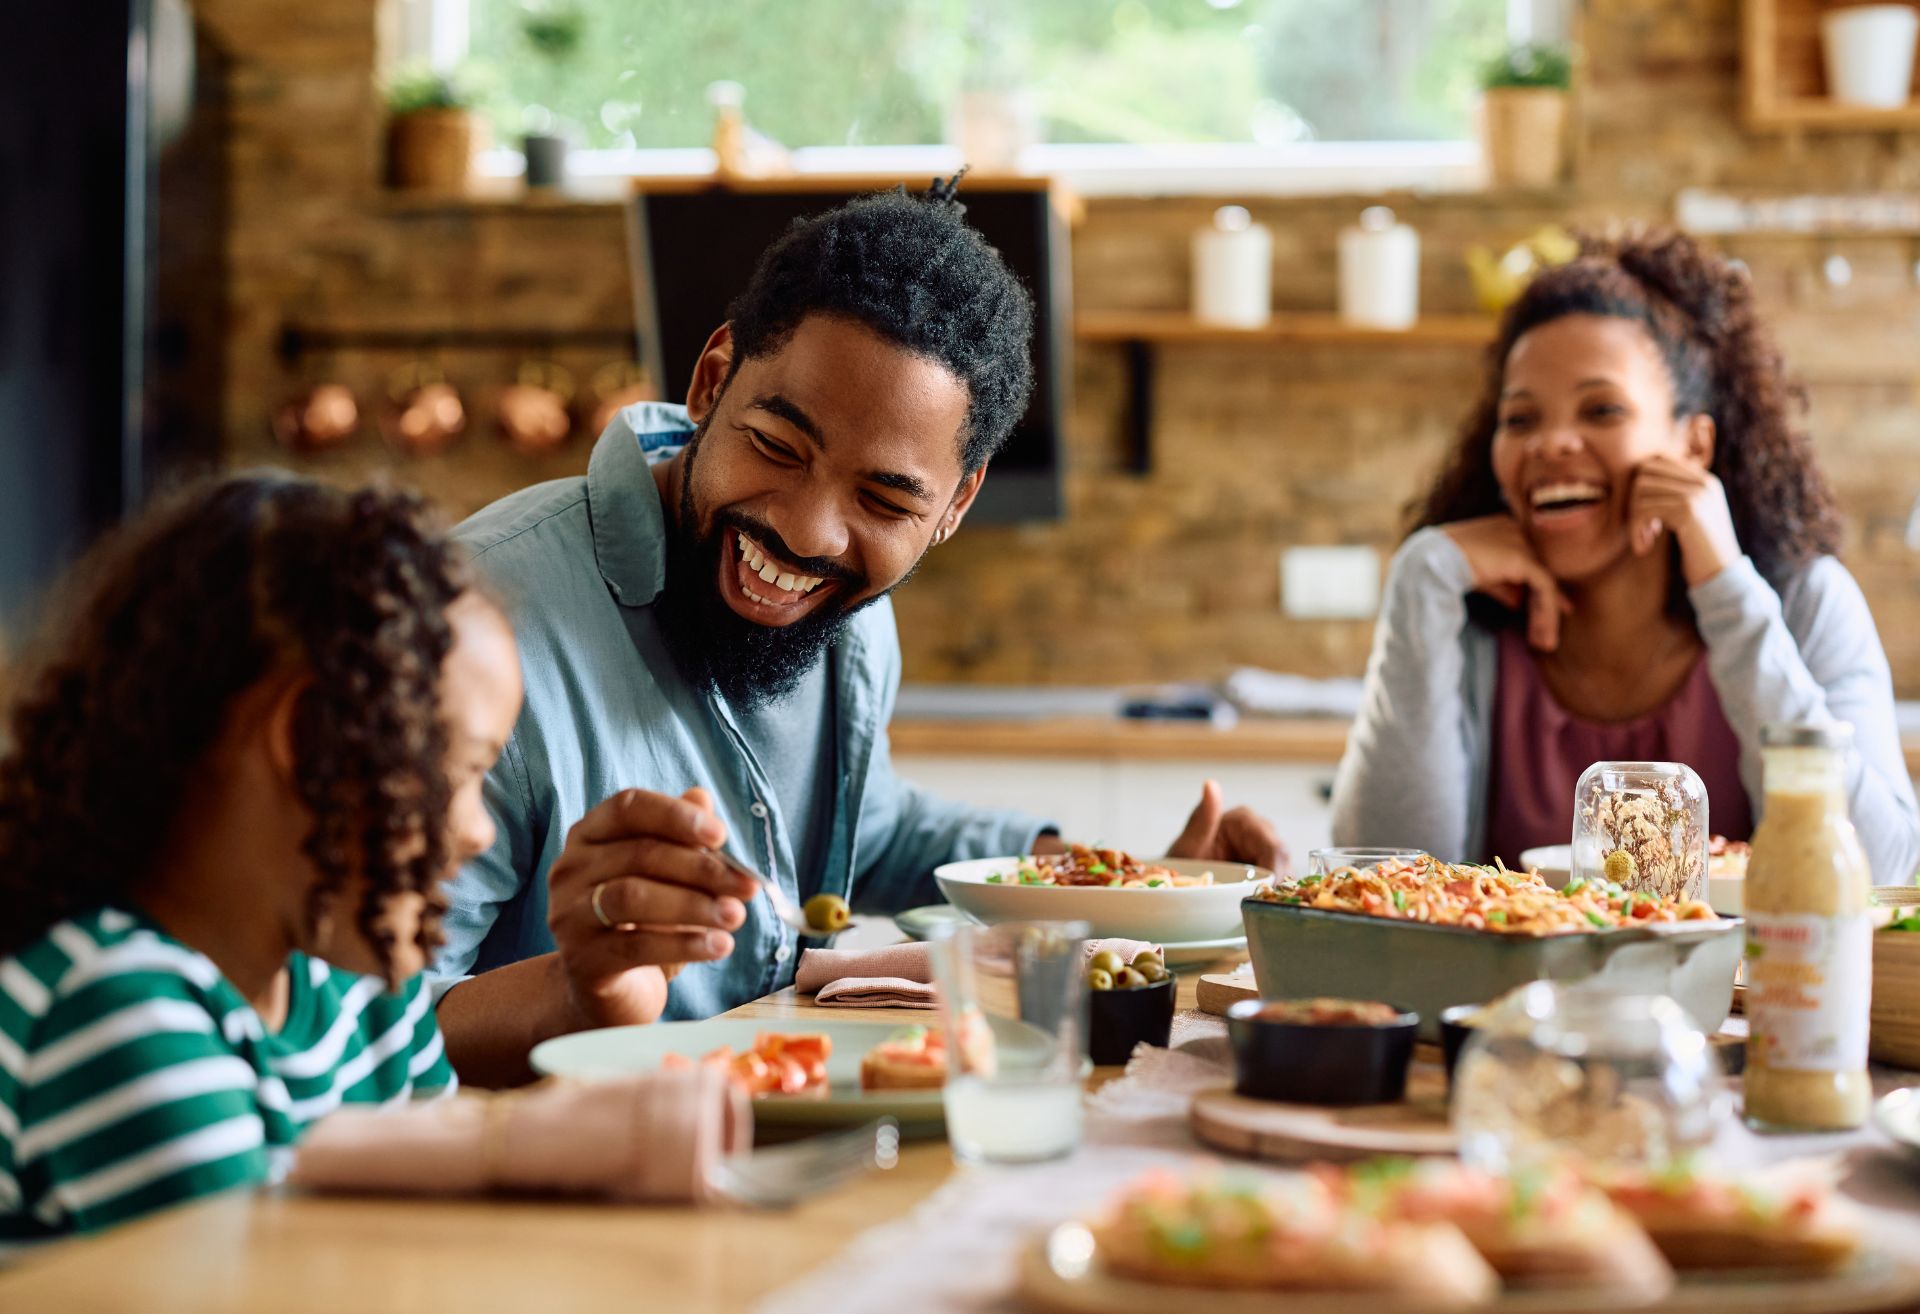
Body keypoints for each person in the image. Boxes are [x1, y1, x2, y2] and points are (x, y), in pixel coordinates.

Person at [433, 177, 1286, 1085]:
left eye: (882, 498)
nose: (808, 531)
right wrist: (584, 986)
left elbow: (864, 831)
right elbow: (360, 1026)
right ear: (713, 380)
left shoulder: (852, 624)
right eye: (776, 446)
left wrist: (1120, 885)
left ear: (955, 505)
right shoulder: (472, 630)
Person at [0, 476, 523, 1253]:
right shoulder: (119, 1010)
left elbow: (439, 1240)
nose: (479, 831)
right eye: (459, 772)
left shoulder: (366, 988)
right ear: (307, 737)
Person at [1333, 228, 1920, 882]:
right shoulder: (1468, 620)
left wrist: (1726, 589)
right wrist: (1422, 576)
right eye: (1521, 419)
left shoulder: (1804, 603)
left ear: (1692, 447)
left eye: (1602, 409)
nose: (1552, 443)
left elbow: (1881, 872)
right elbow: (1383, 885)